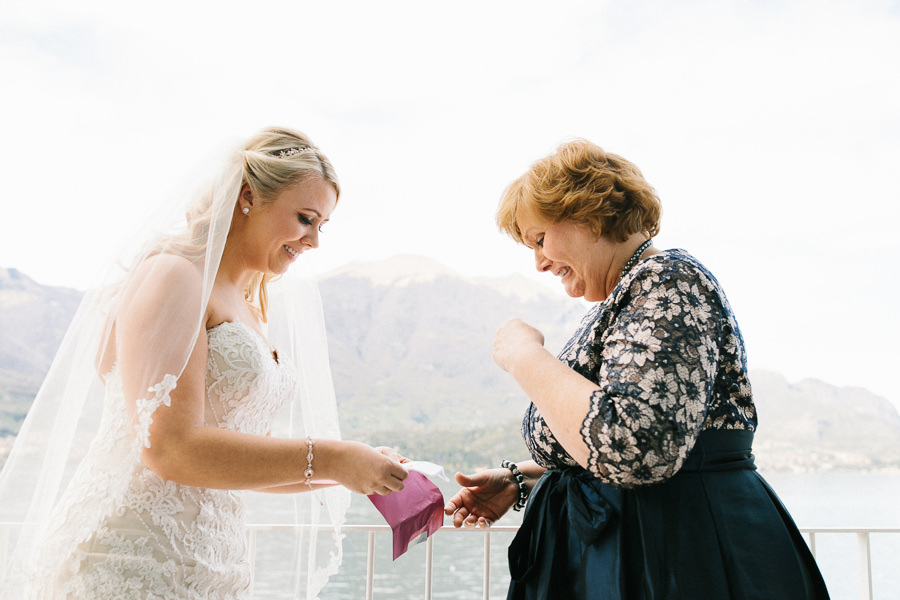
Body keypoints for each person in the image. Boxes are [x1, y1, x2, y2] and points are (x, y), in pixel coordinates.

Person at [0, 126, 408, 599]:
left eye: (321, 226)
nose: (314, 240)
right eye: (304, 218)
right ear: (248, 196)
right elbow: (168, 447)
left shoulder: (247, 305)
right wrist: (335, 457)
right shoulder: (175, 274)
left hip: (211, 567)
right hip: (132, 561)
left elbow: (240, 453)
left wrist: (354, 466)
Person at [444, 139, 829, 599]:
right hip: (635, 549)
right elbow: (619, 436)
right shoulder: (629, 293)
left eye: (540, 239)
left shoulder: (668, 280)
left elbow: (635, 447)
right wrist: (522, 479)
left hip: (669, 554)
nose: (539, 262)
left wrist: (525, 357)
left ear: (587, 213)